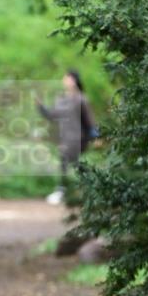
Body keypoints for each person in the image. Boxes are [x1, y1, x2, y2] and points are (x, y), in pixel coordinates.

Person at [36, 69, 97, 204]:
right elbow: (52, 115)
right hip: (64, 137)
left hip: (77, 137)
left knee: (66, 161)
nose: (65, 81)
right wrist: (41, 107)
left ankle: (63, 190)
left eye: (67, 78)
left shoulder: (81, 98)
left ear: (74, 80)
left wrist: (94, 134)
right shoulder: (62, 99)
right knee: (75, 164)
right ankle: (89, 187)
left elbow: (89, 119)